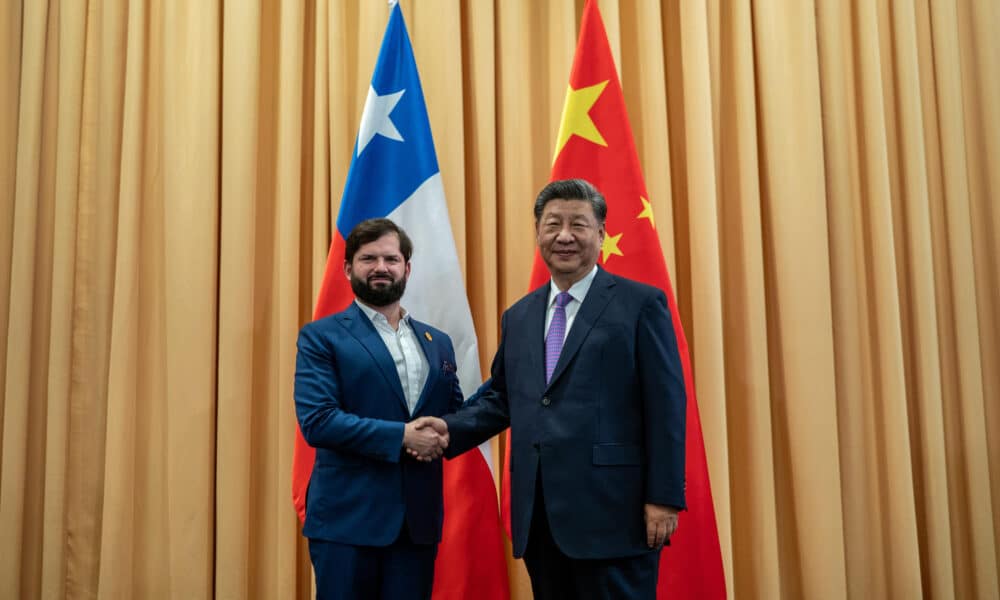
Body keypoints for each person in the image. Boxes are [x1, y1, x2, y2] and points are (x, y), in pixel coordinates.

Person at [434, 178, 687, 599]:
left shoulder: (641, 304)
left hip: (615, 516)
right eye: (553, 224)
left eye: (578, 225)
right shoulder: (520, 315)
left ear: (601, 234)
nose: (564, 236)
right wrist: (446, 431)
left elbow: (666, 405)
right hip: (541, 520)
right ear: (537, 233)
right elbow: (503, 397)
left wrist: (663, 497)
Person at [294, 218, 458, 600]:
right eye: (368, 258)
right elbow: (319, 422)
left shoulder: (440, 343)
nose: (381, 267)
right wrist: (403, 436)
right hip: (347, 525)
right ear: (348, 268)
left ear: (407, 268)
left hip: (417, 527)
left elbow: (453, 413)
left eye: (391, 258)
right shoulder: (321, 337)